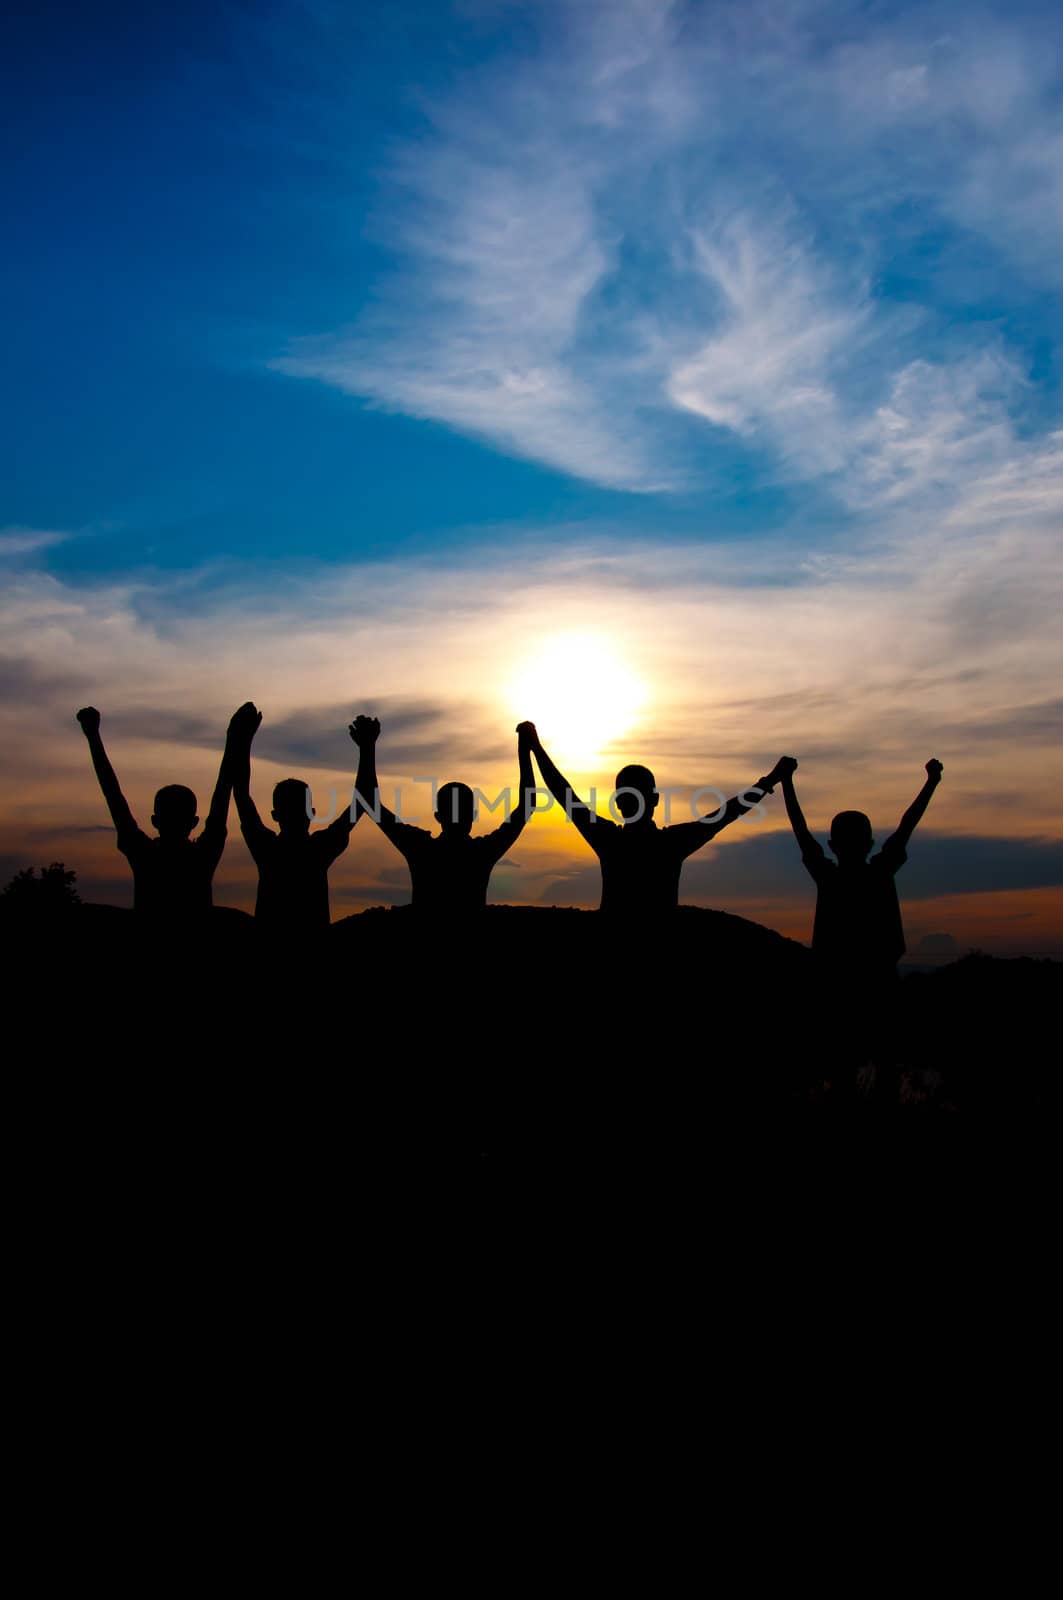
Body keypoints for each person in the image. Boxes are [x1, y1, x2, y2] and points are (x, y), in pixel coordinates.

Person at [524, 724, 791, 912]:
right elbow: (727, 813)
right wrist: (770, 780)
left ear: (619, 804)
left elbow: (564, 793)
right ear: (655, 800)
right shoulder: (671, 843)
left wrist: (535, 746)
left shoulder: (610, 841)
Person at [76, 702, 252, 923]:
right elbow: (222, 792)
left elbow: (113, 795)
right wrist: (235, 738)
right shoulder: (202, 855)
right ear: (194, 822)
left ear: (155, 820)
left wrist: (92, 736)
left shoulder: (145, 853)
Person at [778, 757, 943, 981]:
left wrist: (786, 780)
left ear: (832, 845)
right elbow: (907, 825)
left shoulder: (830, 877)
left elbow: (801, 830)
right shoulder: (880, 872)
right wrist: (932, 782)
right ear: (870, 843)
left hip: (837, 973)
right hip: (878, 973)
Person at [349, 716, 536, 912]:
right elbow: (527, 805)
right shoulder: (481, 853)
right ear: (473, 816)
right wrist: (525, 747)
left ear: (438, 816)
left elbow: (368, 801)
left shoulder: (421, 848)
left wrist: (367, 748)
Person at [227, 703, 364, 933]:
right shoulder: (318, 850)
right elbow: (362, 802)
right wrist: (367, 749)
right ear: (311, 812)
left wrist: (242, 739)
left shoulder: (267, 848)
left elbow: (240, 793)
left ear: (275, 815)